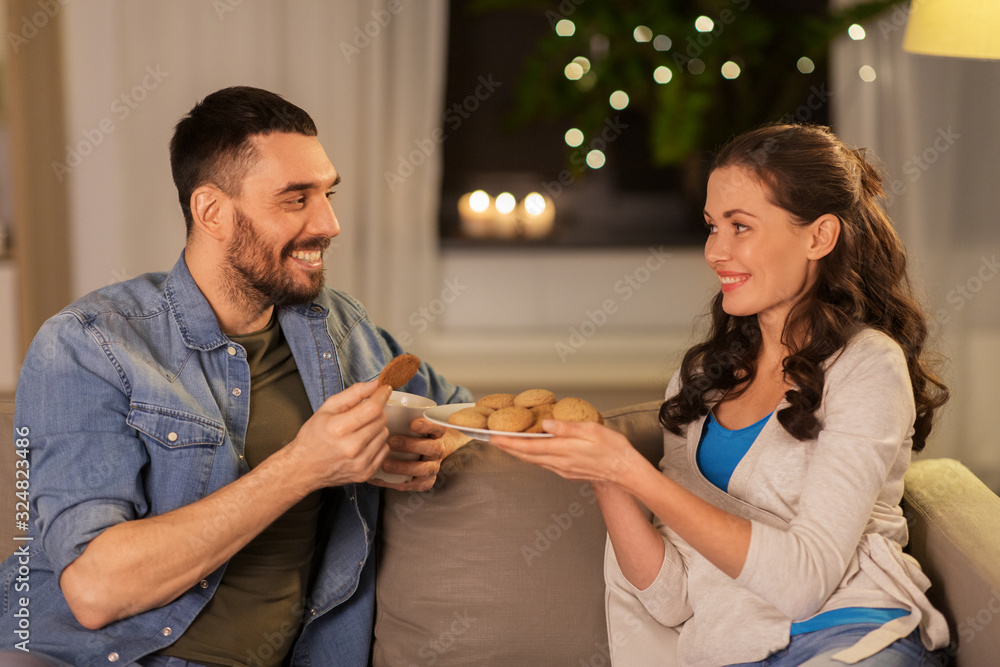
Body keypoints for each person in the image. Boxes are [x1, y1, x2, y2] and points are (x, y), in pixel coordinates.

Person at [0, 86, 470, 666]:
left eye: (328, 193)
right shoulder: (89, 344)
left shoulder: (339, 327)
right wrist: (304, 466)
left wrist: (426, 443)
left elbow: (466, 414)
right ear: (211, 211)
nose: (329, 223)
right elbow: (96, 590)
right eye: (296, 199)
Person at [492, 124, 950, 666]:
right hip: (732, 649)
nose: (716, 251)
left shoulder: (867, 365)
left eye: (740, 227)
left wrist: (636, 473)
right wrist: (607, 477)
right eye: (712, 227)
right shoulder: (704, 381)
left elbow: (806, 584)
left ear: (819, 237)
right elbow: (670, 601)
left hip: (850, 639)